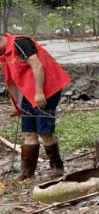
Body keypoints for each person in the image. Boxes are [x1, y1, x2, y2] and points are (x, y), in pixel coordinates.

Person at [2, 33, 71, 180]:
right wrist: (15, 102)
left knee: (45, 132)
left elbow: (37, 65)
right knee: (28, 133)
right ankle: (27, 172)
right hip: (28, 92)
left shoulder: (20, 43)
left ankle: (57, 169)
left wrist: (40, 93)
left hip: (46, 88)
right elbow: (13, 77)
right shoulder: (4, 53)